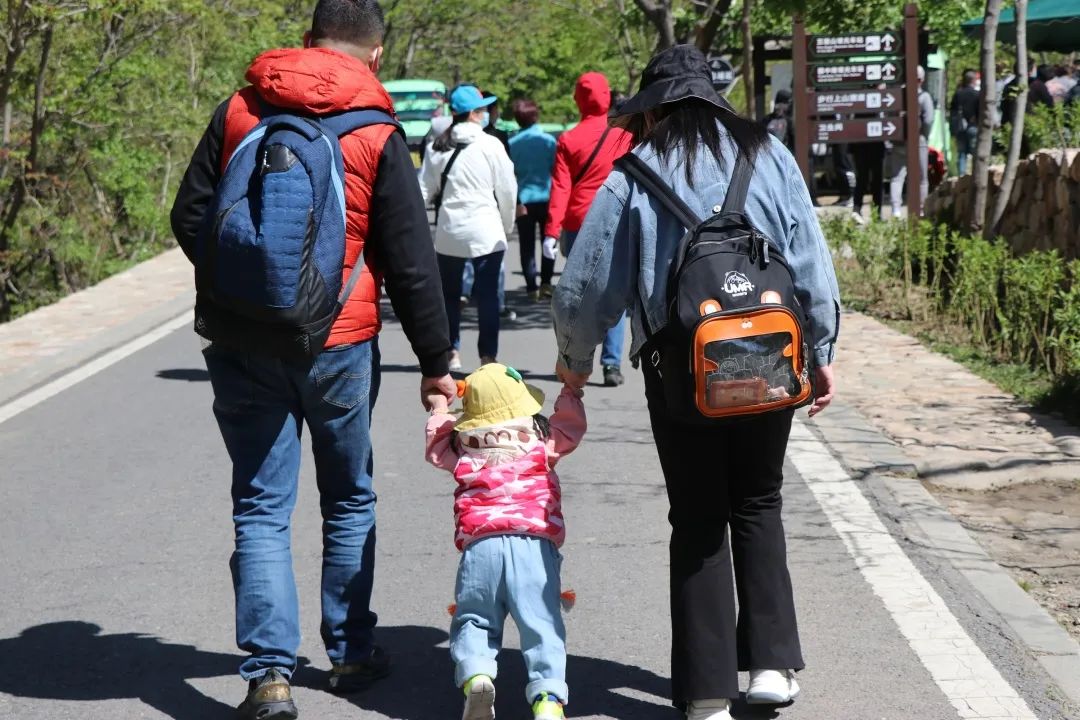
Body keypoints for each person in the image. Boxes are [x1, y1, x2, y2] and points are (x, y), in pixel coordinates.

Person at [169, 1, 458, 717]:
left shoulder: (241, 107)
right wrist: (435, 361)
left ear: (307, 41)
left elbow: (190, 215)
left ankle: (269, 676)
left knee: (261, 505)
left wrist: (243, 291)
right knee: (349, 496)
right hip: (340, 341)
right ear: (378, 53)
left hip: (241, 340)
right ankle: (353, 652)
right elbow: (410, 260)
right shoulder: (375, 129)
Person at [552, 44, 839, 720]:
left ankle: (707, 693)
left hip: (680, 369)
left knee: (699, 514)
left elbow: (586, 288)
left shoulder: (634, 173)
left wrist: (574, 369)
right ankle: (771, 666)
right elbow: (810, 264)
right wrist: (822, 348)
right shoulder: (768, 155)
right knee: (759, 503)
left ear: (651, 111)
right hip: (772, 357)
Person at [425, 363, 586, 720]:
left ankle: (477, 675)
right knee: (542, 625)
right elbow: (571, 428)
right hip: (533, 547)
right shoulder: (540, 441)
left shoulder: (462, 447)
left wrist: (439, 409)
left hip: (480, 548)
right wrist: (571, 391)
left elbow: (436, 447)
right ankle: (547, 700)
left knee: (475, 619)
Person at [543, 72, 632, 387]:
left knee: (578, 293)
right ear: (607, 97)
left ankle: (576, 357)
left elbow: (561, 189)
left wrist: (551, 232)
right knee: (616, 290)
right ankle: (612, 364)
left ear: (578, 100)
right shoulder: (623, 136)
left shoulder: (568, 139)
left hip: (579, 223)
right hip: (617, 219)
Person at [421, 85, 517, 371]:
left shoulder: (436, 147)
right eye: (483, 109)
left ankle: (452, 351)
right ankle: (488, 356)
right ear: (475, 114)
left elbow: (423, 191)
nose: (487, 113)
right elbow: (508, 192)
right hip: (486, 232)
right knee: (488, 298)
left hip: (449, 233)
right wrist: (507, 226)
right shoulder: (491, 146)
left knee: (449, 297)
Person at [509, 99, 558, 301]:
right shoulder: (549, 141)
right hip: (547, 198)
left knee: (526, 245)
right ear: (535, 115)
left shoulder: (511, 144)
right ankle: (546, 283)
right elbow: (557, 171)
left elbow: (510, 175)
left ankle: (531, 288)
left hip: (523, 200)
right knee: (549, 240)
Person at [888, 65, 935, 217]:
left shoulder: (896, 96)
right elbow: (928, 120)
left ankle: (896, 209)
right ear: (921, 80)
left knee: (897, 177)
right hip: (919, 140)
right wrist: (924, 136)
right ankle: (921, 208)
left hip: (898, 142)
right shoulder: (924, 97)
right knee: (922, 177)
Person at [950, 69, 980, 175]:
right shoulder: (977, 94)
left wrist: (952, 129)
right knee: (975, 152)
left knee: (961, 153)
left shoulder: (958, 94)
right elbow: (979, 111)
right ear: (974, 80)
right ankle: (976, 174)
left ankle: (961, 175)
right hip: (973, 126)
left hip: (960, 127)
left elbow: (952, 111)